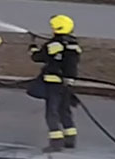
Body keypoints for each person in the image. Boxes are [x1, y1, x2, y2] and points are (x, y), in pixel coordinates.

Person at [30, 14, 81, 152]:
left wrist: (33, 47)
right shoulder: (73, 45)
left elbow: (38, 57)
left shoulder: (54, 45)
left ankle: (56, 142)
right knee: (64, 110)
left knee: (51, 113)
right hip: (67, 83)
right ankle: (70, 139)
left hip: (53, 83)